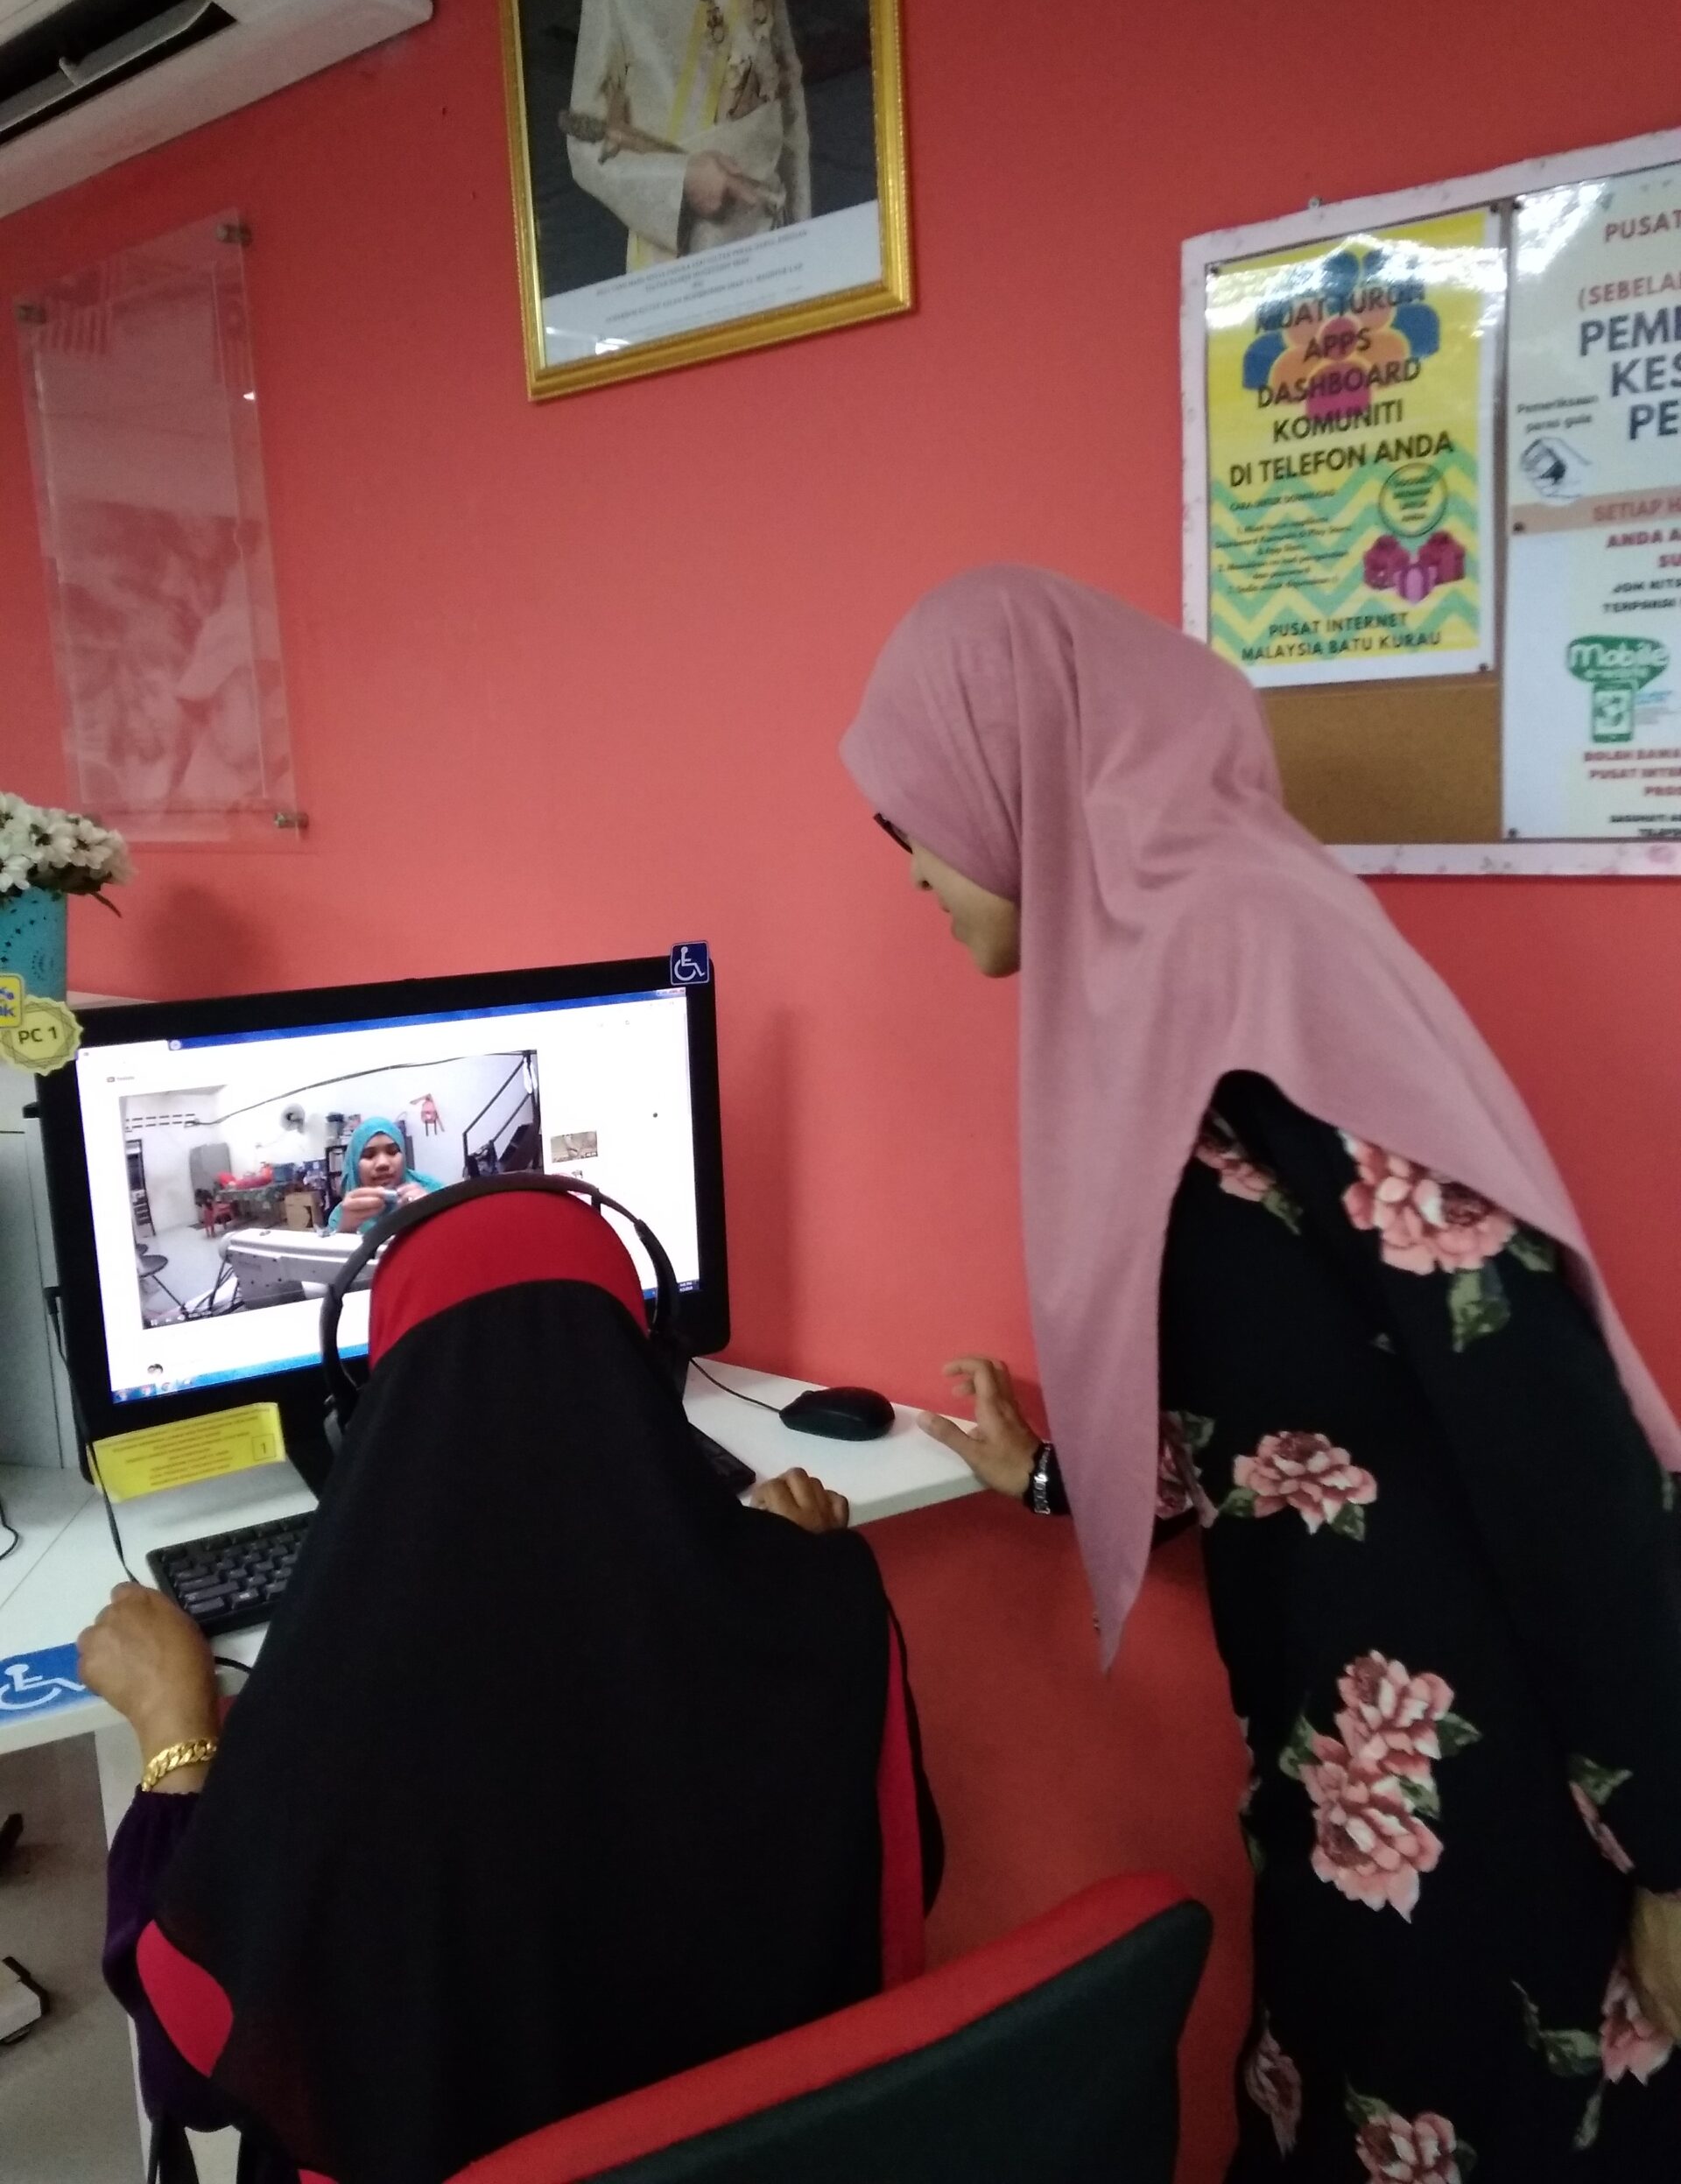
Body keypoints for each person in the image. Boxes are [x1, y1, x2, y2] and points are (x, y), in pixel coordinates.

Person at [840, 564, 1681, 2180]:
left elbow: (1535, 1398)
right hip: (1348, 1765)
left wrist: (1667, 1842)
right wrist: (1047, 1468)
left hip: (1490, 1780)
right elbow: (1291, 1393)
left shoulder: (1248, 962)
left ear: (1019, 762)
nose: (918, 874)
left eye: (914, 824)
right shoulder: (1156, 981)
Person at [81, 1186, 939, 2184]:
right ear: (648, 1371)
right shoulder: (827, 1609)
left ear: (373, 1406)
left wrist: (175, 1735)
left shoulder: (329, 1720)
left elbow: (192, 2066)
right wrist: (785, 1573)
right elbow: (903, 1883)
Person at [564, 0, 810, 274]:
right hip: (682, 252)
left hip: (773, 229)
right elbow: (586, 144)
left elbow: (786, 81)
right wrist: (681, 180)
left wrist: (803, 225)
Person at [327, 1114, 442, 1232]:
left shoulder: (435, 1193)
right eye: (369, 1155)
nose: (383, 1163)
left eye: (392, 1152)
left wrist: (431, 1213)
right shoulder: (342, 1216)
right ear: (355, 1165)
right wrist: (345, 1230)